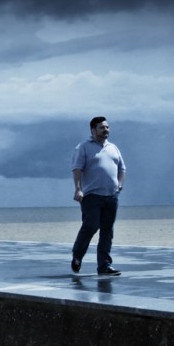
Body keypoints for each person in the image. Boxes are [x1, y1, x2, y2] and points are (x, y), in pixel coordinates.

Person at [70, 116, 126, 276]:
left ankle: (104, 266)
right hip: (91, 196)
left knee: (107, 231)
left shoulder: (113, 148)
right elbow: (77, 168)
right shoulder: (83, 147)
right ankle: (77, 256)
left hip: (111, 196)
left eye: (107, 127)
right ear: (93, 130)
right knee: (91, 226)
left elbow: (122, 169)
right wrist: (78, 189)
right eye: (102, 127)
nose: (106, 130)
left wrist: (120, 184)